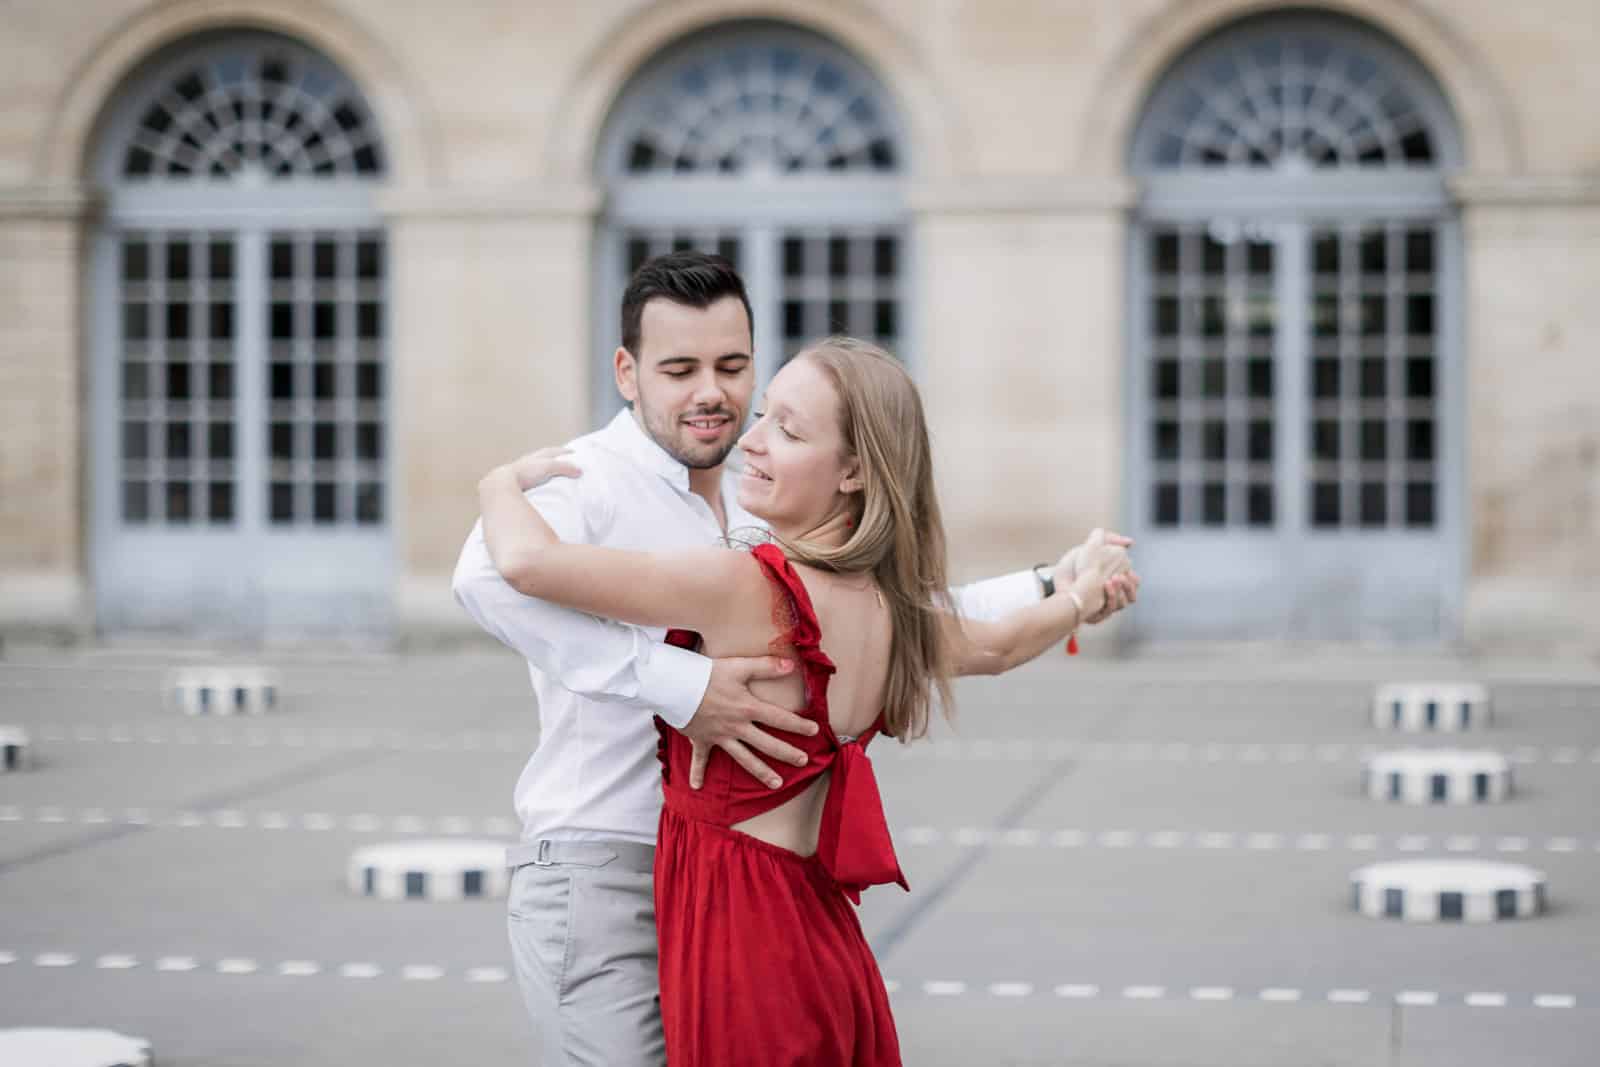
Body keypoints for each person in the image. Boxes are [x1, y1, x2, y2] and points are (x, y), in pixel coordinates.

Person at [452, 252, 1138, 1066]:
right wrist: (684, 685)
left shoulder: (761, 496)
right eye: (680, 368)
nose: (716, 395)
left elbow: (927, 616)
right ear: (628, 372)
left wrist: (1049, 585)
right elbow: (487, 576)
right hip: (606, 864)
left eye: (733, 367)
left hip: (734, 901)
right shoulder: (586, 478)